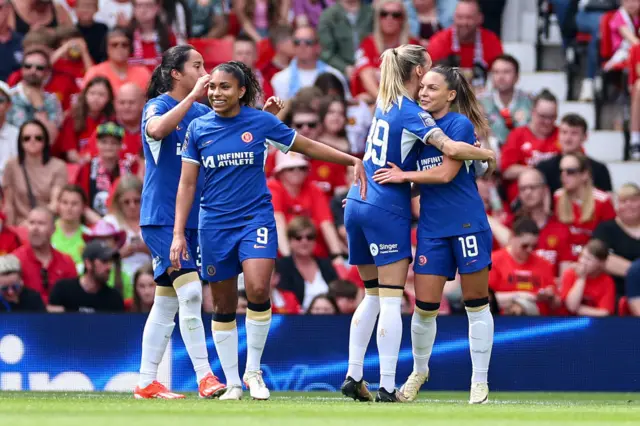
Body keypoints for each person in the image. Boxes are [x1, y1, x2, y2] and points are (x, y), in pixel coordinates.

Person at [170, 60, 366, 401]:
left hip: (255, 218)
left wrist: (350, 159)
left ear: (241, 91)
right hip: (214, 224)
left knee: (259, 288)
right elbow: (186, 186)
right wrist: (176, 234)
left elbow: (305, 145)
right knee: (224, 302)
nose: (216, 93)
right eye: (213, 87)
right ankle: (232, 381)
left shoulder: (260, 122)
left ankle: (253, 372)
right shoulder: (198, 129)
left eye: (224, 87)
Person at [340, 44, 495, 403]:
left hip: (466, 223)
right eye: (423, 86)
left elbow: (443, 173)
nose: (424, 92)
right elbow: (406, 177)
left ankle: (479, 380)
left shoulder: (456, 123)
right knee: (423, 308)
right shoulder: (417, 122)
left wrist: (392, 180)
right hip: (430, 228)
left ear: (451, 95)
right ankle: (417, 371)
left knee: (475, 303)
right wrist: (372, 189)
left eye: (433, 88)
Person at [136, 45, 223, 400]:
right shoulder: (157, 106)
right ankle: (205, 376)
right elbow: (156, 131)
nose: (205, 71)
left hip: (191, 219)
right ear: (176, 73)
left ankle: (145, 382)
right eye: (197, 65)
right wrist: (190, 98)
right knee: (190, 292)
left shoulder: (202, 113)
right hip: (160, 218)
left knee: (167, 302)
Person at [2, 119, 68, 226]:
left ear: (45, 140)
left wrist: (33, 222)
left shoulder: (58, 166)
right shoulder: (11, 165)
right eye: (26, 138)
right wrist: (12, 231)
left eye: (38, 138)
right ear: (20, 142)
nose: (32, 141)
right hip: (20, 225)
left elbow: (55, 203)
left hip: (47, 226)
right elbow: (9, 205)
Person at [488, 218, 558, 317]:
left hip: (540, 322)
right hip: (503, 320)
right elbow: (486, 299)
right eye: (525, 246)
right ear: (512, 238)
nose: (529, 250)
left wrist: (550, 296)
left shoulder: (544, 264)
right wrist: (520, 296)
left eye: (534, 246)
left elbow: (556, 304)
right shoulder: (494, 261)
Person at [553, 153, 616, 261]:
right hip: (565, 259)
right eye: (561, 171)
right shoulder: (558, 196)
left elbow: (610, 237)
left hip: (593, 259)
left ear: (585, 174)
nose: (564, 175)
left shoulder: (602, 200)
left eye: (570, 171)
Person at [12, 207, 78, 304]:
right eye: (31, 223)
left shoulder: (66, 261)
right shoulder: (15, 260)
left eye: (41, 223)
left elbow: (73, 298)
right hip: (26, 317)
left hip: (60, 317)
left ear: (53, 229)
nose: (35, 228)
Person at [536, 114, 612, 195]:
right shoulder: (543, 168)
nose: (568, 138)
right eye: (564, 132)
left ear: (585, 137)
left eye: (574, 133)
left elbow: (606, 200)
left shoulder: (599, 169)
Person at [275, 216, 338, 310]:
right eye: (298, 237)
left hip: (328, 320)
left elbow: (337, 296)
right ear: (290, 240)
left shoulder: (326, 264)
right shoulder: (282, 266)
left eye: (310, 237)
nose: (304, 241)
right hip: (293, 321)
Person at [47, 239, 125, 313]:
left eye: (110, 262)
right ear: (88, 263)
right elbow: (52, 322)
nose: (109, 267)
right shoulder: (63, 289)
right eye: (104, 261)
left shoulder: (114, 299)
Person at [593, 183, 640, 296]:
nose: (629, 205)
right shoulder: (605, 229)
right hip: (615, 293)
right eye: (623, 201)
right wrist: (637, 273)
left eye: (633, 200)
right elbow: (602, 260)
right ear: (616, 206)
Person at [103, 176, 151, 280]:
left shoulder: (152, 221)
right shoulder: (109, 223)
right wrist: (120, 254)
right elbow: (101, 259)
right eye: (126, 202)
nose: (132, 206)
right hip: (118, 278)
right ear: (118, 203)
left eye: (137, 201)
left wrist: (148, 250)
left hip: (149, 279)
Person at [560, 239, 616, 316]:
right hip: (567, 321)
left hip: (595, 323)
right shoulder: (570, 273)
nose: (582, 261)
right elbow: (571, 307)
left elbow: (604, 313)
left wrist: (578, 308)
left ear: (601, 263)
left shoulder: (607, 281)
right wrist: (581, 278)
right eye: (582, 256)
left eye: (589, 259)